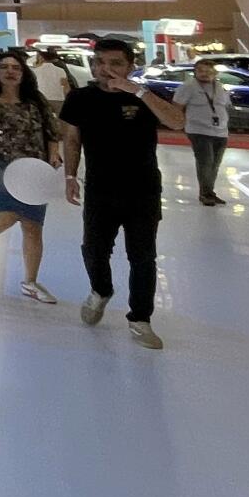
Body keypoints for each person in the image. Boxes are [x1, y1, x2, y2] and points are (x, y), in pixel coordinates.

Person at [60, 36, 187, 350]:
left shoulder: (146, 96)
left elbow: (176, 121)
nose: (106, 69)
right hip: (100, 190)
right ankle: (101, 291)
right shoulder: (80, 98)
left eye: (115, 63)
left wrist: (140, 92)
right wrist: (70, 174)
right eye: (100, 62)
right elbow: (72, 139)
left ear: (131, 66)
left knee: (142, 256)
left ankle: (140, 318)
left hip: (142, 190)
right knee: (93, 249)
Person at [0, 49, 63, 303]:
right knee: (13, 212)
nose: (10, 71)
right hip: (0, 165)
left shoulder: (36, 100)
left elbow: (52, 131)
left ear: (23, 72)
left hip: (34, 167)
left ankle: (30, 281)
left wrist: (53, 155)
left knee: (33, 225)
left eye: (15, 67)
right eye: (4, 67)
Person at [174, 57, 232, 206]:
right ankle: (205, 194)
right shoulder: (189, 87)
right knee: (205, 162)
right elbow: (177, 107)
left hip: (220, 132)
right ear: (195, 72)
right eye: (200, 70)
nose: (204, 74)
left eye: (208, 71)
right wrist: (178, 124)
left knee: (215, 164)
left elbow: (224, 106)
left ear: (215, 73)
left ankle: (209, 192)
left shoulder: (219, 87)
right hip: (198, 130)